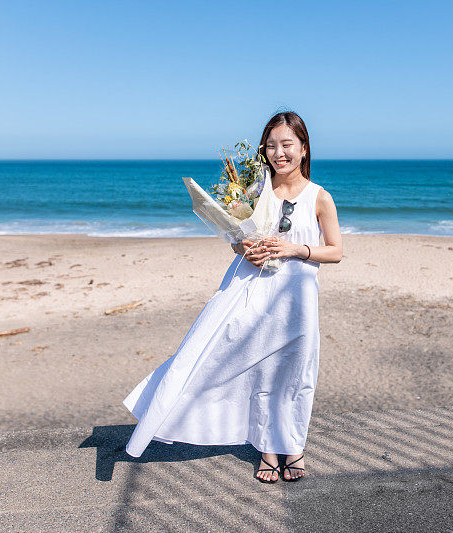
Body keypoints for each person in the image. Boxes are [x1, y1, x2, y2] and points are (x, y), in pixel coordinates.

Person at [122, 111, 343, 483]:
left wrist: (293, 250)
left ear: (303, 149)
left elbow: (335, 251)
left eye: (287, 145)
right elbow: (236, 240)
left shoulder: (319, 197)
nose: (279, 153)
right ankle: (268, 450)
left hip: (297, 298)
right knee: (256, 368)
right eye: (270, 146)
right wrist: (246, 249)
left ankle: (295, 447)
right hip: (250, 291)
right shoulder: (254, 192)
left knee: (296, 370)